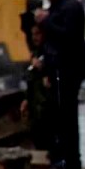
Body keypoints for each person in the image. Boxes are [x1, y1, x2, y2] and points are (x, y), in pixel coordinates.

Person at [34, 0, 85, 169]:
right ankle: (59, 156)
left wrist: (46, 21)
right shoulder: (58, 8)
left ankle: (69, 160)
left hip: (67, 70)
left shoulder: (71, 8)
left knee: (65, 118)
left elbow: (69, 37)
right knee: (56, 117)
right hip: (56, 69)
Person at [21, 23, 58, 159]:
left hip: (46, 104)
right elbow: (30, 79)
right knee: (37, 136)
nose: (35, 37)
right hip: (35, 104)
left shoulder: (50, 53)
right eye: (33, 34)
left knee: (49, 137)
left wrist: (44, 68)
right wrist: (26, 99)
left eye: (38, 34)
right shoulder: (34, 54)